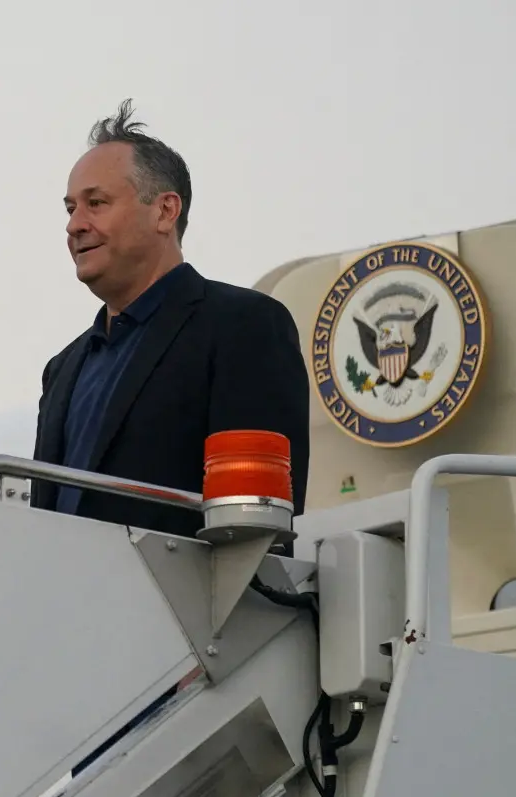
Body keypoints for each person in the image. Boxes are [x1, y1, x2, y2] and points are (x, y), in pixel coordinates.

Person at [31, 99, 310, 540]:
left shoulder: (244, 326)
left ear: (165, 211)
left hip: (184, 606)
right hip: (66, 603)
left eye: (96, 203)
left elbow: (262, 531)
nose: (75, 225)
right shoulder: (62, 369)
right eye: (70, 209)